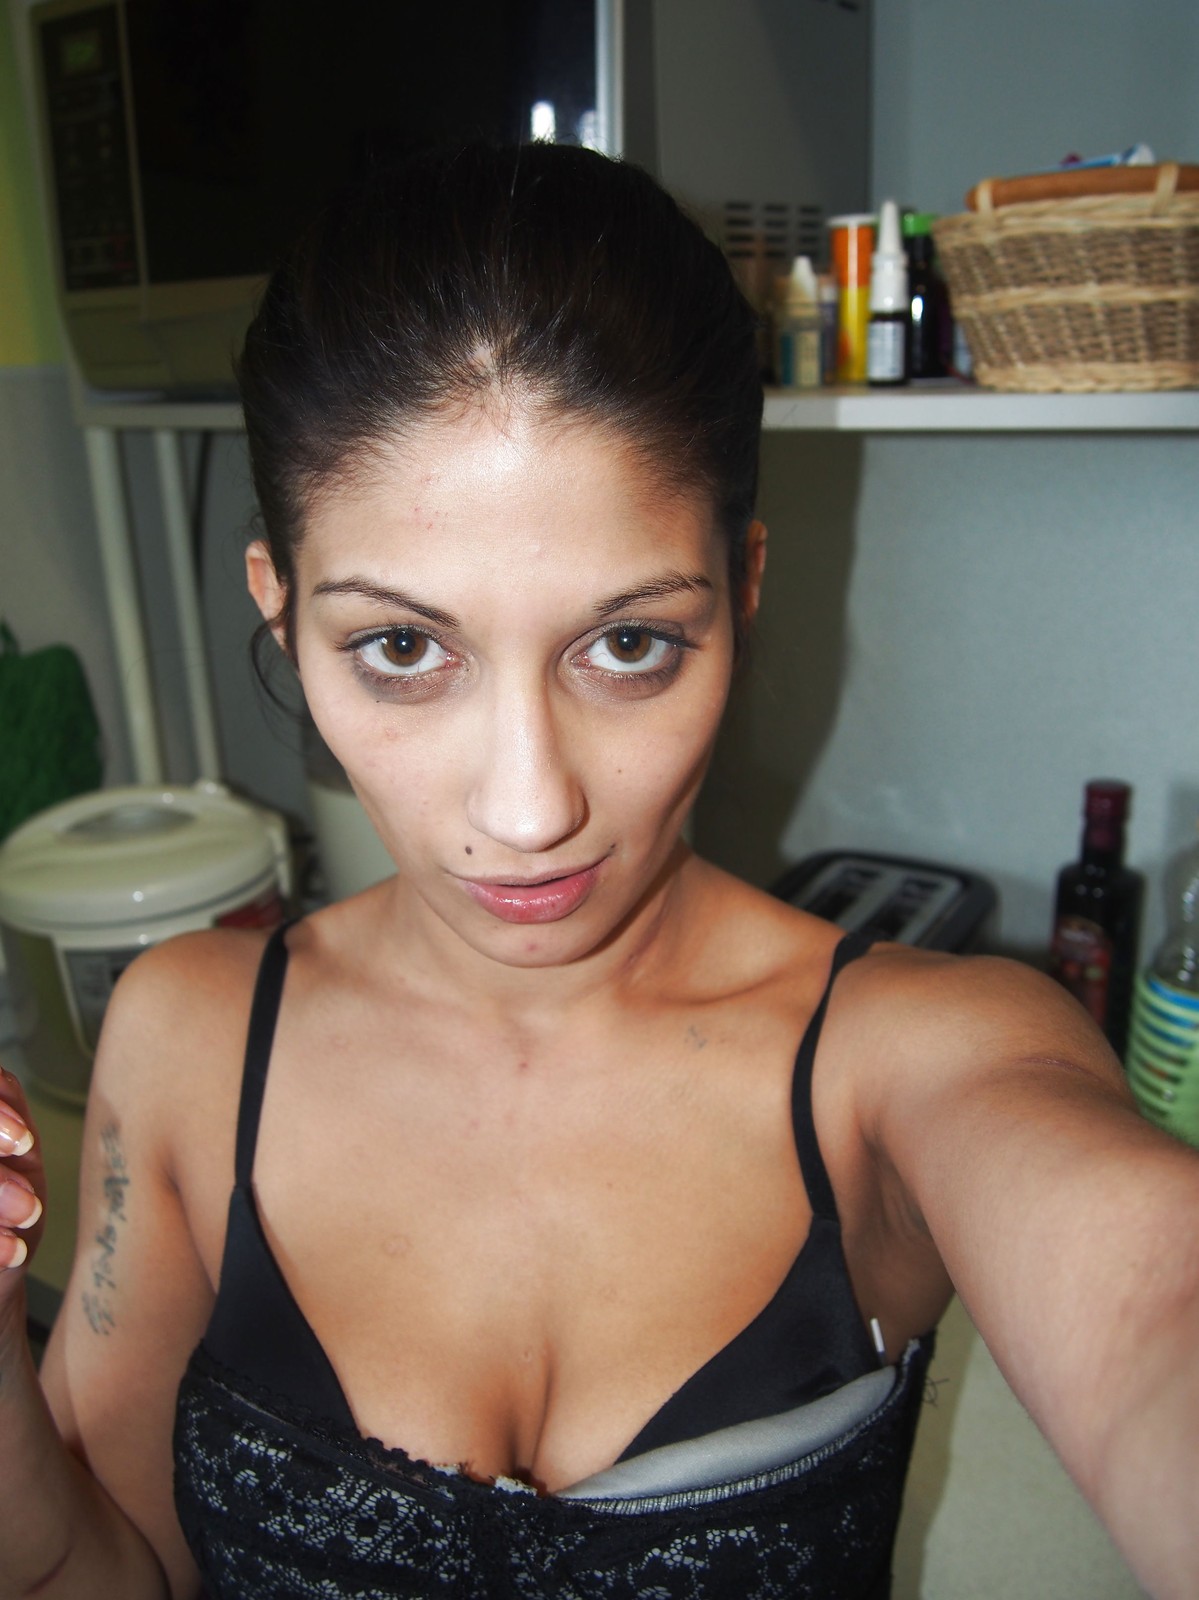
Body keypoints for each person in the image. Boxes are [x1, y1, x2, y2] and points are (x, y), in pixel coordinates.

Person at [0, 141, 1196, 1600]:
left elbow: (1159, 1309)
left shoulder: (914, 1065)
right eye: (401, 647)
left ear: (743, 590)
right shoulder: (186, 1043)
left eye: (628, 644)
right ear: (281, 607)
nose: (529, 811)